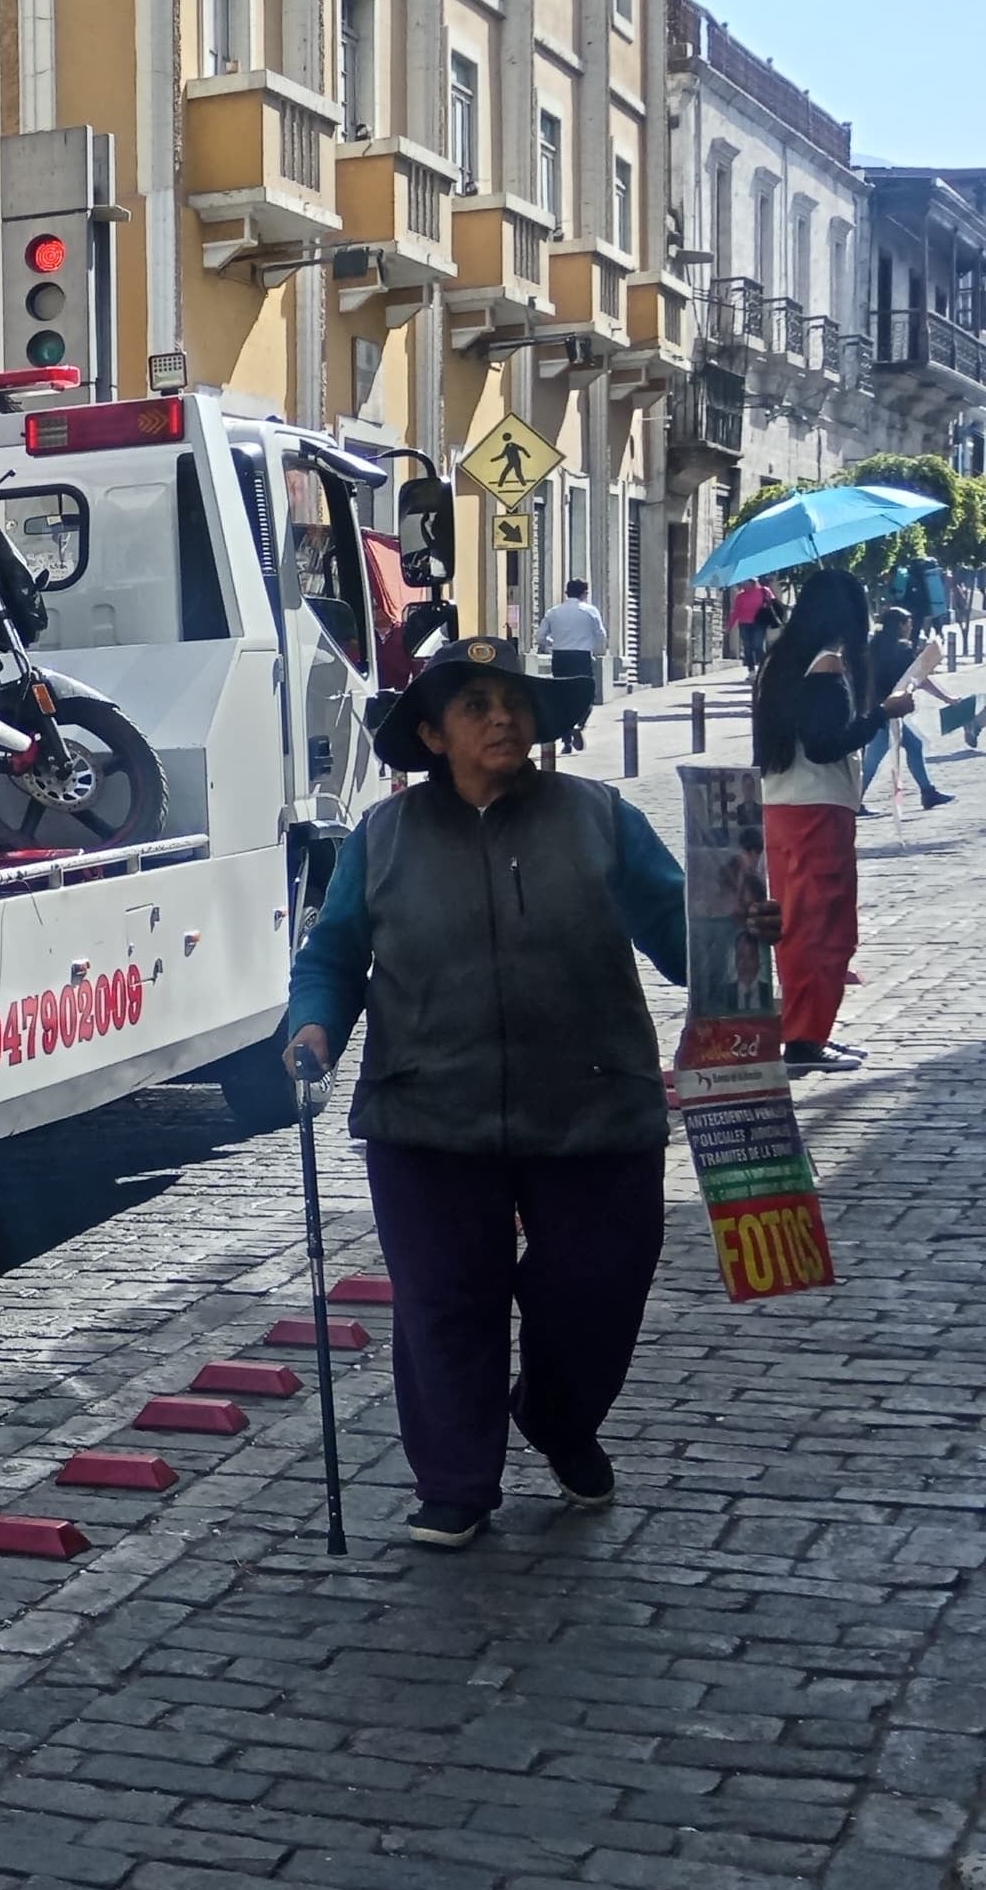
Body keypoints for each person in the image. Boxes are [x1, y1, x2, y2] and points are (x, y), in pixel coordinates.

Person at [282, 637, 718, 1552]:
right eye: (475, 704)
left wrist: (736, 939)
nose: (502, 718)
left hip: (595, 1104)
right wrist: (315, 1025)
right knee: (446, 1300)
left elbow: (680, 935)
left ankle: (558, 1420)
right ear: (433, 734)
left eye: (513, 700)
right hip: (429, 1111)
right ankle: (455, 1482)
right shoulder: (384, 837)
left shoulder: (600, 817)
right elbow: (334, 953)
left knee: (598, 1291)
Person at [753, 569, 895, 1074]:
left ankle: (804, 1033)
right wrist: (882, 714)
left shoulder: (778, 660)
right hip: (817, 808)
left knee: (799, 924)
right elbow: (824, 743)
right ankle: (806, 1039)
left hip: (782, 803)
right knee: (824, 928)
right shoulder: (827, 664)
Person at [871, 606, 956, 814]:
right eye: (908, 623)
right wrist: (946, 697)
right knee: (880, 757)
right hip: (890, 710)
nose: (911, 627)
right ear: (900, 625)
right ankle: (928, 793)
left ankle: (928, 793)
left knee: (901, 749)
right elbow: (920, 679)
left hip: (877, 707)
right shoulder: (902, 649)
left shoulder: (873, 645)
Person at [538, 576, 607, 753]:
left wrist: (554, 644)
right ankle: (578, 724)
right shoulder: (590, 611)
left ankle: (566, 740)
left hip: (560, 658)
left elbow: (540, 637)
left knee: (562, 698)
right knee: (587, 695)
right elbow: (600, 635)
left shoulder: (553, 612)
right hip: (581, 657)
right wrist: (597, 650)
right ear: (585, 593)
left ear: (566, 592)